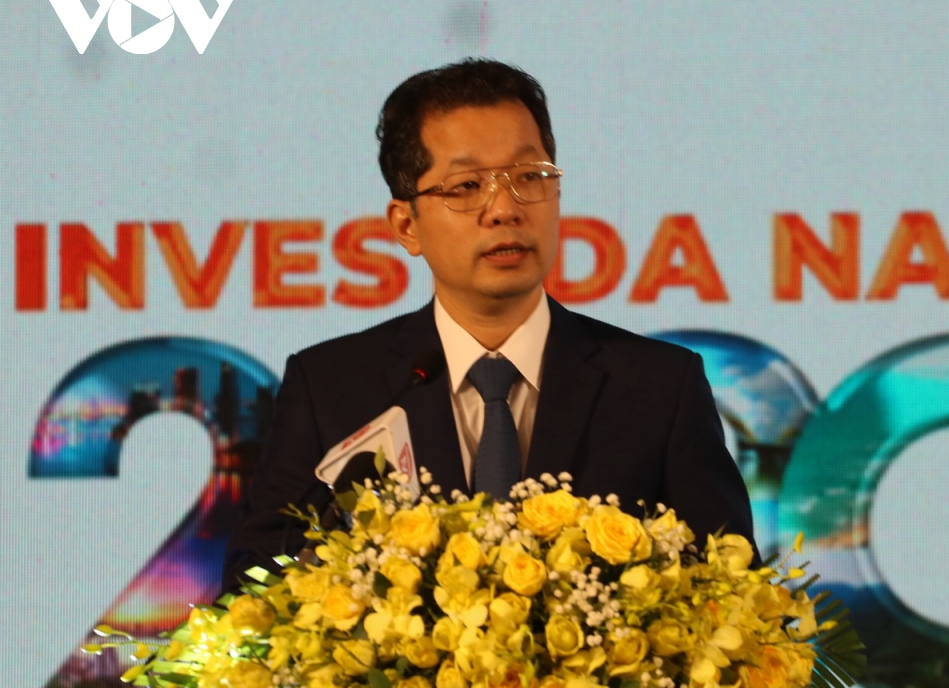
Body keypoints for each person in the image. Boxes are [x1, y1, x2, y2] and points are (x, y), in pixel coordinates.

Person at [222, 59, 754, 591]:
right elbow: (256, 589)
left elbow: (731, 592)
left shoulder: (658, 388)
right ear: (407, 226)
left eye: (530, 177)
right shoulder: (333, 389)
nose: (504, 209)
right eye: (467, 185)